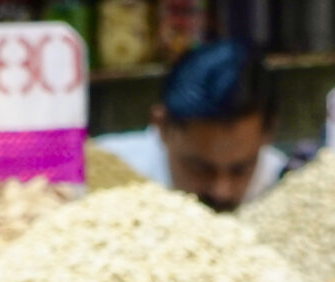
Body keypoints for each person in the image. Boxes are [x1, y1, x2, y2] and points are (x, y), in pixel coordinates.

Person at [92, 40, 287, 210]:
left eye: (240, 169)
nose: (222, 192)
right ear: (162, 127)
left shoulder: (283, 186)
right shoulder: (96, 179)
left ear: (269, 132)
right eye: (200, 168)